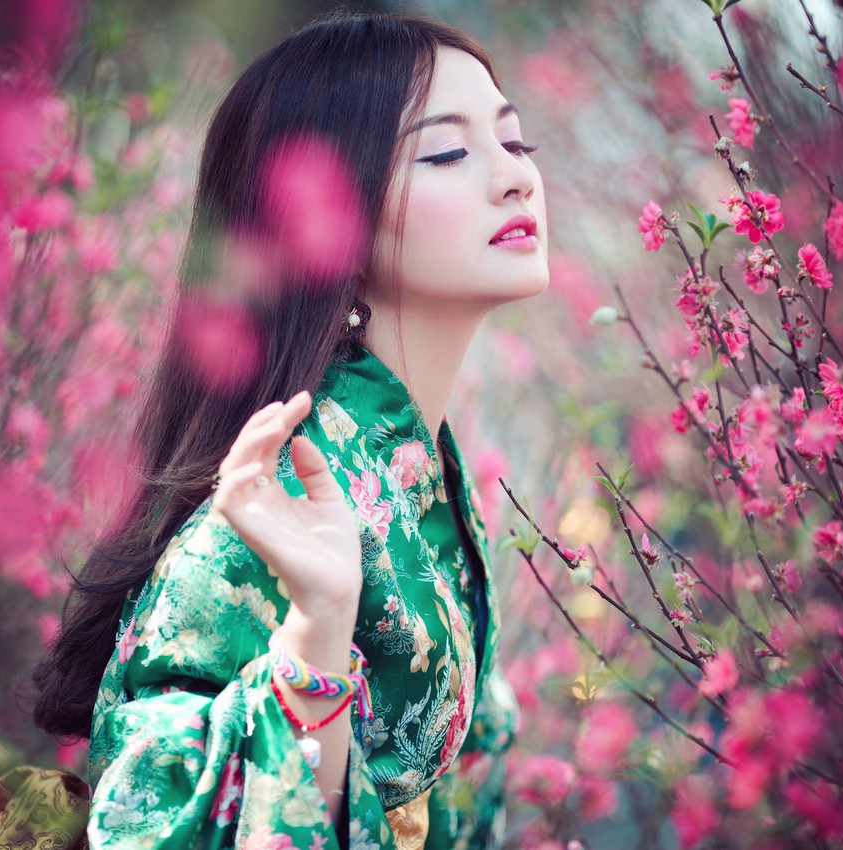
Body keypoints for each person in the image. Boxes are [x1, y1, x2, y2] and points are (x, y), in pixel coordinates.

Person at [31, 10, 548, 849]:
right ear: (327, 226)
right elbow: (149, 819)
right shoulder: (274, 506)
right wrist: (318, 625)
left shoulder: (420, 478)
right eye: (449, 152)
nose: (515, 179)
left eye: (517, 143)